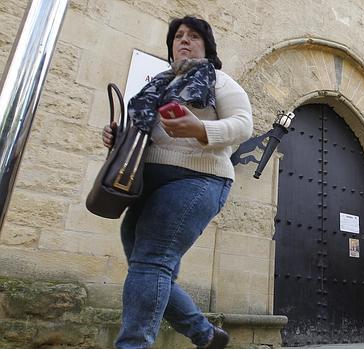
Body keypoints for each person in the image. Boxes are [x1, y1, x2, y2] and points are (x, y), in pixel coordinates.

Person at [102, 16, 253, 349]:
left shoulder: (219, 81)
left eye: (194, 36)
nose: (184, 40)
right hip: (146, 182)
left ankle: (133, 345)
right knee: (151, 269)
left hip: (198, 178)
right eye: (179, 36)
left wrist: (201, 129)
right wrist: (119, 137)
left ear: (207, 46)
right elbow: (148, 133)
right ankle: (206, 336)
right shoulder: (158, 84)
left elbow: (244, 125)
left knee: (151, 262)